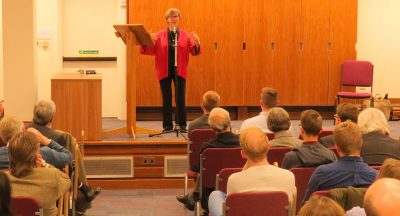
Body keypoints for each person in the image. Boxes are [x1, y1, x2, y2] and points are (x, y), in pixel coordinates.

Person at [28, 100, 100, 214]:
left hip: (25, 181)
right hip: (55, 184)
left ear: (33, 115)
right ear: (52, 118)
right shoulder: (62, 137)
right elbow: (70, 160)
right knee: (69, 164)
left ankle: (83, 188)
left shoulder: (22, 132)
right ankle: (83, 189)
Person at [208, 127, 295, 216]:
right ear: (269, 147)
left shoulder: (234, 179)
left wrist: (244, 170)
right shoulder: (289, 176)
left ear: (243, 154)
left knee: (215, 195)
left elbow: (233, 211)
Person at [140, 8, 201, 132]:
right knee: (166, 98)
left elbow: (193, 50)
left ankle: (181, 125)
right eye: (171, 17)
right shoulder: (159, 35)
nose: (174, 19)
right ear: (167, 20)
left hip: (180, 70)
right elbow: (148, 49)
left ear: (179, 19)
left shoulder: (185, 35)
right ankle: (167, 126)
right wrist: (146, 41)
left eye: (176, 17)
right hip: (164, 70)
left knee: (180, 97)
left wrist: (198, 43)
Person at [176, 107, 240, 214]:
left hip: (210, 196)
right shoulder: (242, 144)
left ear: (212, 127)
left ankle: (194, 197)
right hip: (237, 192)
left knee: (203, 174)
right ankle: (194, 198)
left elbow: (196, 170)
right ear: (229, 122)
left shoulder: (207, 148)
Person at [303, 121, 376, 203]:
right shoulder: (376, 178)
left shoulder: (322, 173)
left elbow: (307, 206)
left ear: (337, 148)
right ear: (361, 144)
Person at [5, 131, 71, 216]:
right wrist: (45, 164)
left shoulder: (3, 180)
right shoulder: (52, 176)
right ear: (36, 156)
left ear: (10, 156)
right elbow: (67, 181)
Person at [0, 116, 72, 169]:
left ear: (2, 136)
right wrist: (45, 140)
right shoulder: (39, 154)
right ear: (23, 131)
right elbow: (68, 156)